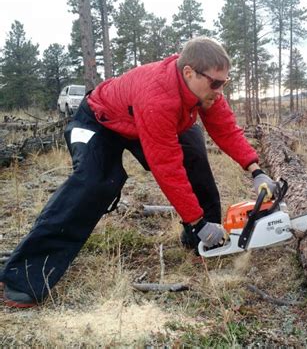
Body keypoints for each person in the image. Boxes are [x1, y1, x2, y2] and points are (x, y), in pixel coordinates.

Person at [0, 37, 276, 308]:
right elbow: (167, 168)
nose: (219, 89)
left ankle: (203, 243)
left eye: (224, 82)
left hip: (148, 119)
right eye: (215, 83)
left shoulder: (205, 91)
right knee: (94, 183)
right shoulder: (158, 97)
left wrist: (255, 170)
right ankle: (24, 277)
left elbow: (225, 129)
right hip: (100, 121)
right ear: (189, 72)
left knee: (194, 157)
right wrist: (196, 219)